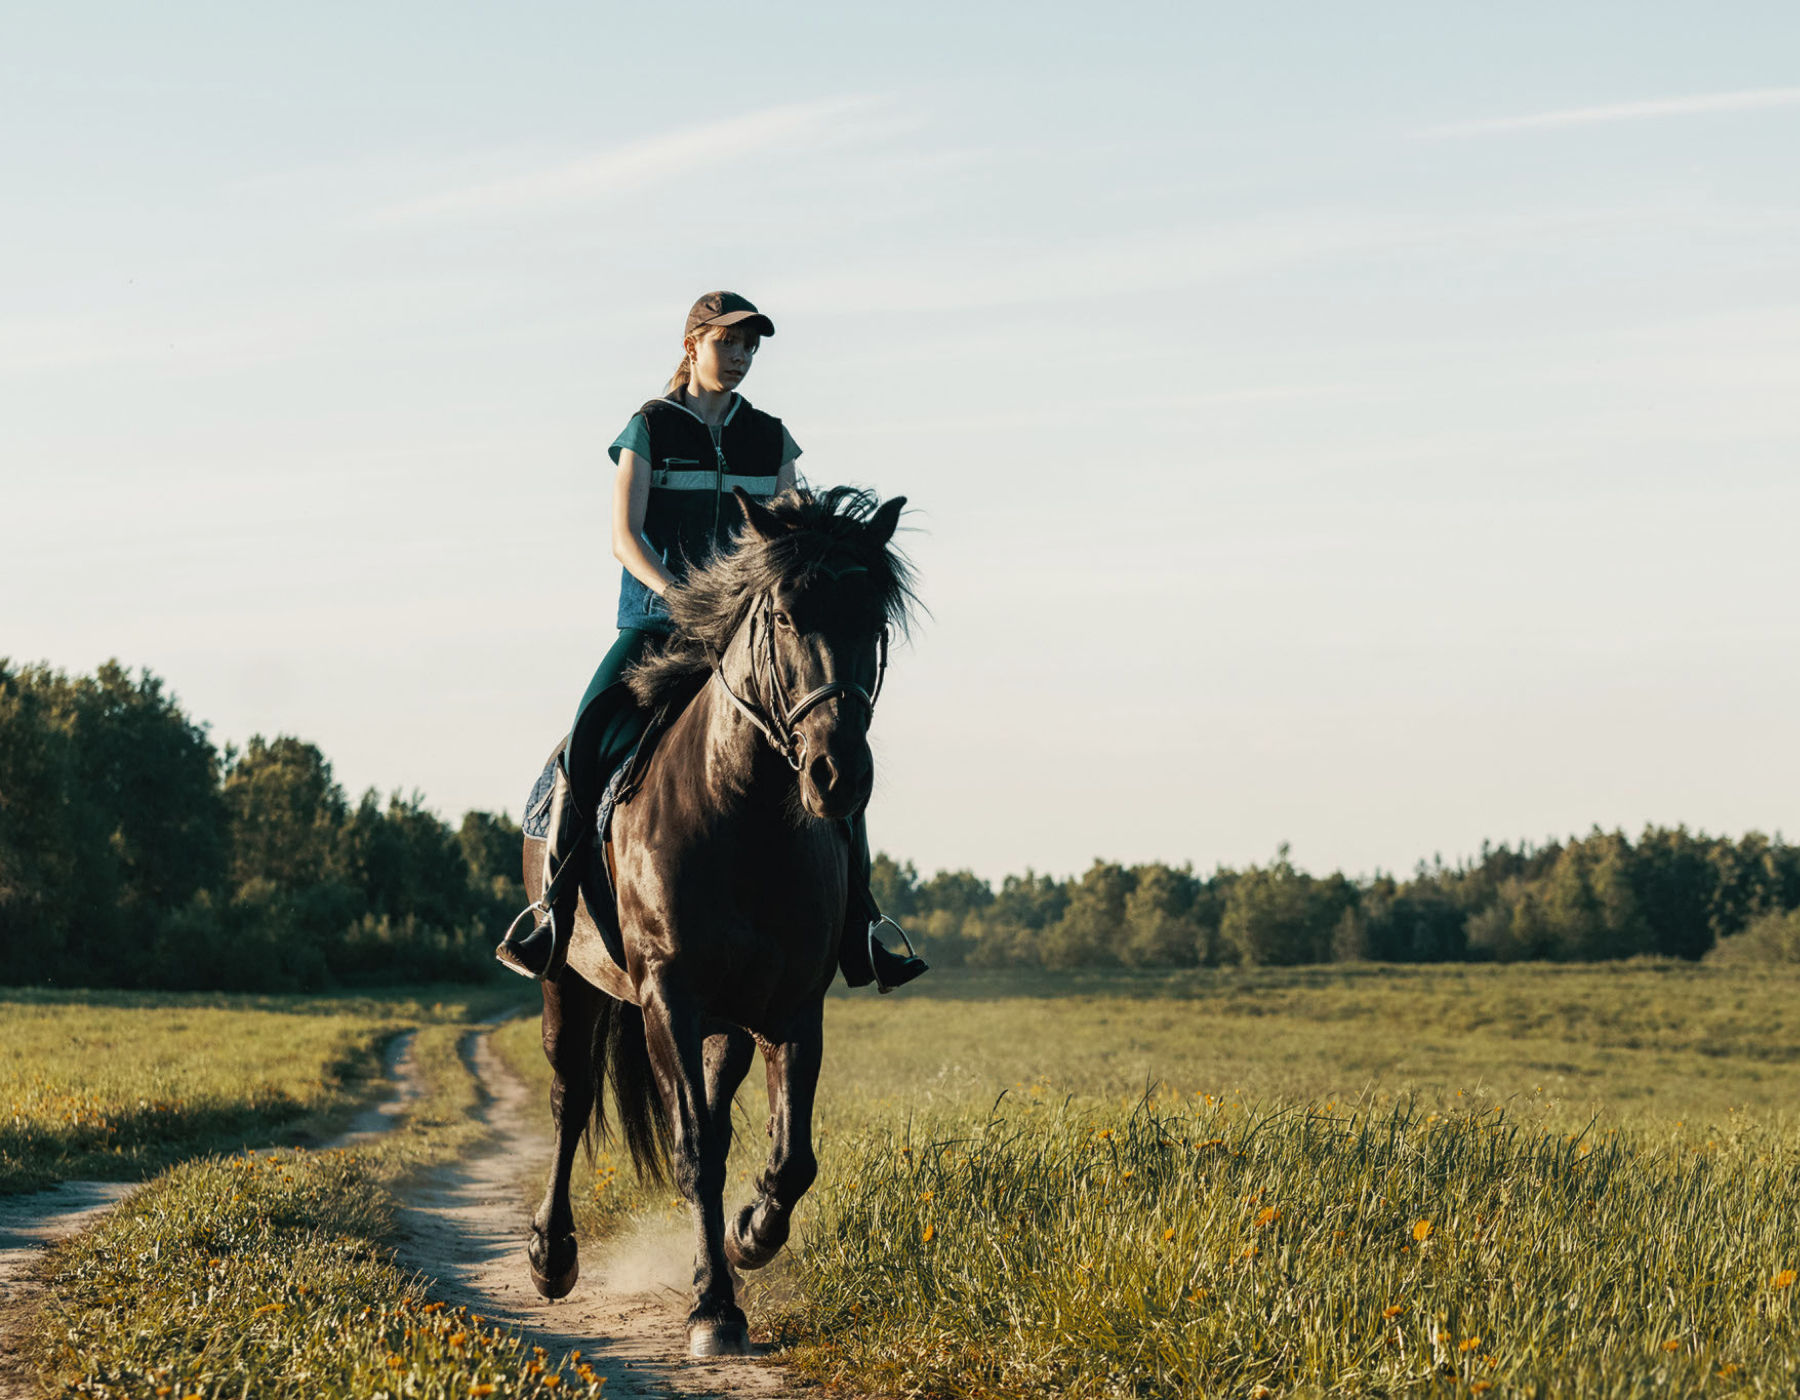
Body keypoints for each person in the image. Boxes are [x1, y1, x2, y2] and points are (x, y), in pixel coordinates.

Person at [496, 291, 928, 992]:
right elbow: (624, 538)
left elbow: (795, 541)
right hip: (654, 626)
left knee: (833, 744)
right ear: (692, 344)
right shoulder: (650, 427)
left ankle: (863, 926)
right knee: (585, 739)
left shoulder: (772, 438)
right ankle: (550, 913)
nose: (741, 356)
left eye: (751, 346)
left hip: (747, 643)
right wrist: (678, 597)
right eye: (728, 342)